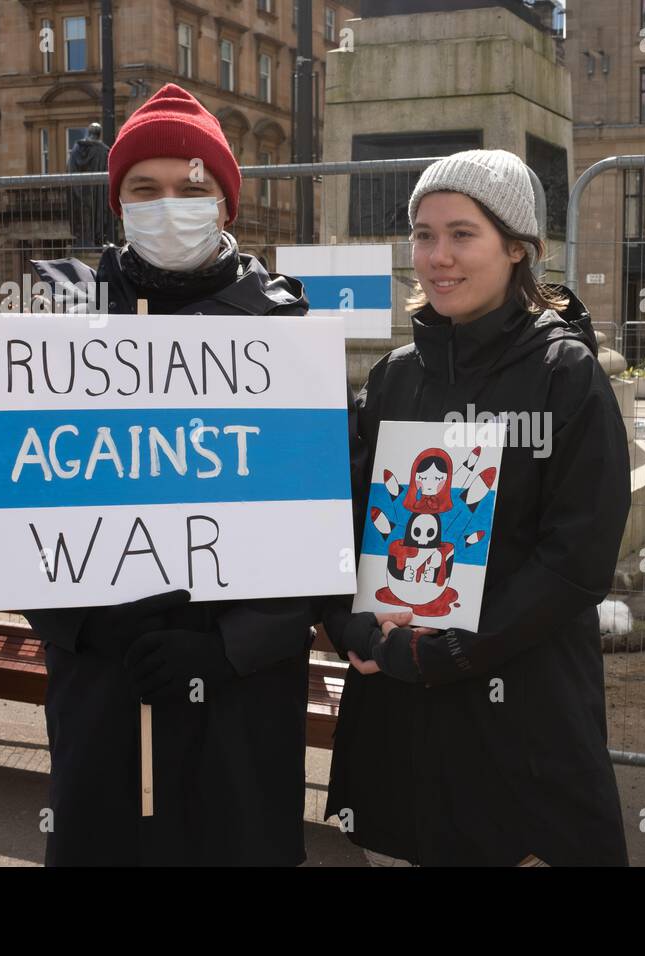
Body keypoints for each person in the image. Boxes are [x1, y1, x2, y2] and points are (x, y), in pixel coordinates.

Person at [22, 83, 379, 865]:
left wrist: (230, 648)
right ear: (118, 204)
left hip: (241, 695)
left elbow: (327, 522)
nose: (168, 205)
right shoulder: (61, 326)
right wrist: (81, 622)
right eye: (143, 189)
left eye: (191, 187)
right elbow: (12, 510)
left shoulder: (286, 329)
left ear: (226, 203)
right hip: (106, 681)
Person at [321, 148, 633, 866]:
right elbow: (348, 521)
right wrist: (354, 627)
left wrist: (456, 649)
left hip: (518, 705)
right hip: (401, 699)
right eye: (424, 235)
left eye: (463, 234)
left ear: (517, 248)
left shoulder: (566, 375)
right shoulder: (395, 377)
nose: (438, 256)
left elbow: (577, 559)